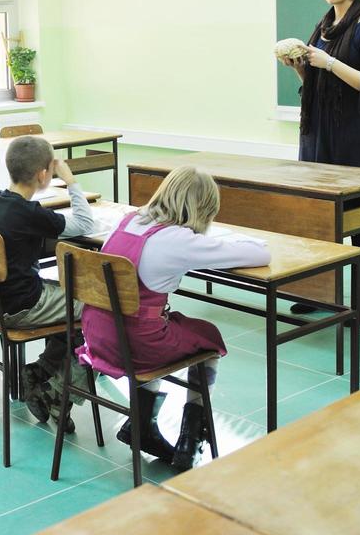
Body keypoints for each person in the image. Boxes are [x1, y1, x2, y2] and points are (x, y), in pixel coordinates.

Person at [76, 166, 269, 470]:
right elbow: (259, 256)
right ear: (202, 209)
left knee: (164, 325)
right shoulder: (177, 239)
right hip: (136, 345)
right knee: (208, 339)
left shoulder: (127, 221)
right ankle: (191, 439)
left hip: (97, 335)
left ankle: (140, 425)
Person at [278, 0, 360, 323]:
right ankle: (318, 290)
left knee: (357, 214)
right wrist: (301, 68)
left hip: (352, 133)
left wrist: (328, 62)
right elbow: (319, 84)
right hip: (317, 129)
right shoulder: (324, 26)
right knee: (316, 213)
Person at [0, 135, 95, 431]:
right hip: (22, 307)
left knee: (70, 298)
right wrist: (71, 182)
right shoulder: (28, 212)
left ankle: (40, 371)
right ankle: (56, 392)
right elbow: (84, 225)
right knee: (99, 310)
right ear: (44, 174)